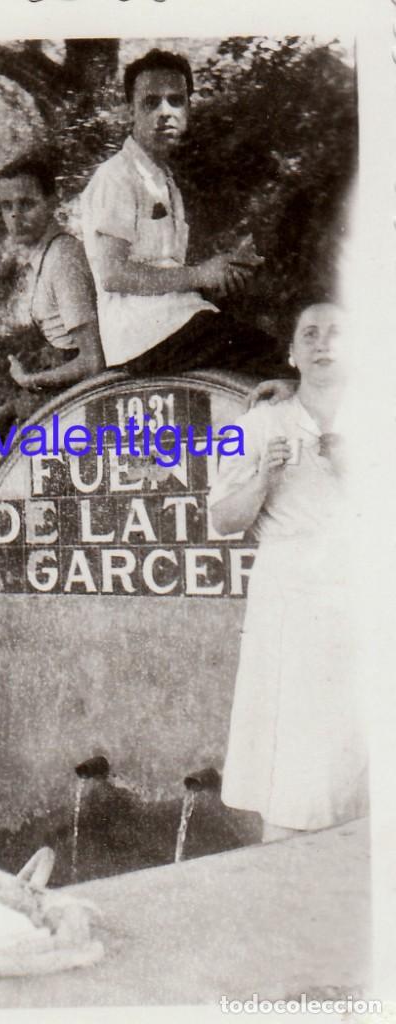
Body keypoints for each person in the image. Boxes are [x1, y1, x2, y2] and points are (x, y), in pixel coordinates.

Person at [210, 303, 368, 841]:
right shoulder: (255, 424)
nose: (324, 344)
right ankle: (287, 858)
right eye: (310, 334)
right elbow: (222, 519)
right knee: (298, 745)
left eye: (337, 334)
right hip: (292, 601)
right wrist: (262, 479)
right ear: (292, 353)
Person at [81, 48, 292, 380]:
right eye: (151, 102)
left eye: (176, 101)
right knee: (275, 359)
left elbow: (167, 270)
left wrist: (221, 272)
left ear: (188, 108)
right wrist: (200, 275)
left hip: (174, 323)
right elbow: (113, 274)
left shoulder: (163, 179)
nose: (165, 112)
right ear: (130, 110)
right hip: (145, 337)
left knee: (271, 343)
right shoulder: (117, 176)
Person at [0, 155, 104, 392]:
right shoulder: (45, 256)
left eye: (26, 204)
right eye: (7, 206)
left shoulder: (62, 259)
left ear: (51, 202)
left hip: (85, 394)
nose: (15, 216)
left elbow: (94, 361)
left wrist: (33, 381)